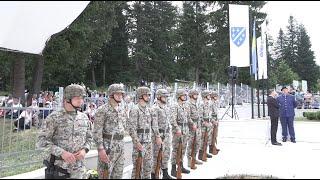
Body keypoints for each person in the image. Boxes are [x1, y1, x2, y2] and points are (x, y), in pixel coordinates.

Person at [37, 84, 93, 179]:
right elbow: (41, 142)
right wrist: (62, 153)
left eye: (82, 98)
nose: (81, 101)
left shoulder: (84, 117)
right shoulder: (54, 118)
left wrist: (84, 150)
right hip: (60, 170)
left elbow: (89, 138)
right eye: (77, 98)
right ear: (67, 99)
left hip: (79, 170)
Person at [92, 83, 129, 179]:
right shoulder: (102, 110)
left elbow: (124, 126)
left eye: (121, 94)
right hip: (108, 147)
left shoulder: (122, 109)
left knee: (118, 174)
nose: (120, 96)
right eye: (118, 94)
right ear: (111, 95)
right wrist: (100, 149)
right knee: (104, 175)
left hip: (120, 146)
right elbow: (97, 131)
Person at [127, 86, 162, 179]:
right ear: (140, 96)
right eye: (146, 95)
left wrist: (158, 136)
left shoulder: (149, 109)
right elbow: (131, 129)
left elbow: (154, 125)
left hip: (148, 142)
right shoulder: (135, 110)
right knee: (137, 169)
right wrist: (137, 142)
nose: (149, 97)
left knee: (148, 167)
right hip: (140, 143)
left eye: (149, 95)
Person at [150, 89, 173, 179]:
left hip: (166, 134)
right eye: (164, 96)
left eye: (166, 96)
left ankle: (165, 173)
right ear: (159, 97)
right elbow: (154, 124)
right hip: (158, 135)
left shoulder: (166, 107)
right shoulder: (154, 108)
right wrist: (157, 136)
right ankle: (154, 175)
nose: (166, 98)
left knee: (166, 154)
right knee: (156, 156)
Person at [170, 89, 191, 177]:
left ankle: (181, 166)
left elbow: (188, 118)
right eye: (183, 95)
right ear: (179, 96)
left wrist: (192, 123)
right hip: (178, 131)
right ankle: (173, 169)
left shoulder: (185, 106)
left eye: (185, 95)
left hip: (185, 130)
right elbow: (172, 119)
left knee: (183, 149)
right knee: (176, 149)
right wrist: (177, 128)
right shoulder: (175, 106)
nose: (185, 96)